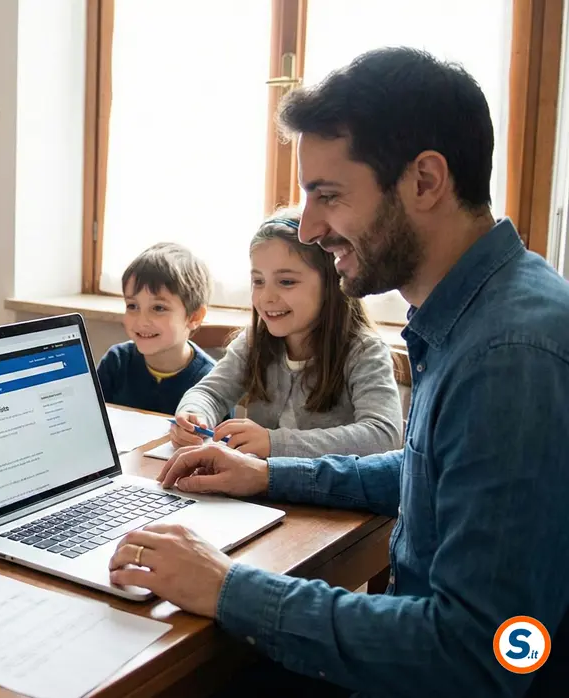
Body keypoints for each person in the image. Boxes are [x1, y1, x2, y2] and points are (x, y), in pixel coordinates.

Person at [110, 47, 569, 696]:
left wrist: (229, 587)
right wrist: (268, 474)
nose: (311, 226)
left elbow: (481, 654)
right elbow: (426, 471)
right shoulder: (482, 311)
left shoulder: (508, 355)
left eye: (328, 195)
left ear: (426, 181)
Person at [170, 210, 402, 458]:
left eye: (287, 282)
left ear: (331, 283)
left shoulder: (364, 351)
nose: (266, 297)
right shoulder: (254, 342)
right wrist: (193, 416)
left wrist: (275, 443)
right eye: (258, 281)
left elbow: (383, 435)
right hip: (256, 489)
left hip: (325, 494)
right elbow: (209, 393)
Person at [96, 242, 217, 415]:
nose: (141, 321)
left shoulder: (211, 381)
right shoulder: (116, 362)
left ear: (194, 317)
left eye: (158, 308)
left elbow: (219, 441)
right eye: (132, 306)